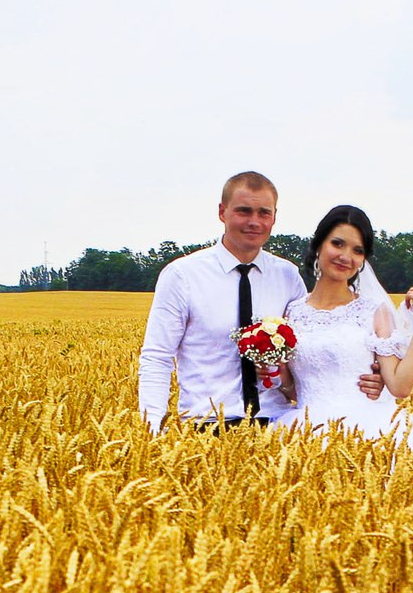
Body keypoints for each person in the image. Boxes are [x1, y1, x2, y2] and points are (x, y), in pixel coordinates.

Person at [137, 171, 385, 430]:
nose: (254, 222)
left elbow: (311, 346)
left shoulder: (287, 276)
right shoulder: (183, 276)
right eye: (244, 211)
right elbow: (157, 357)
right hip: (207, 425)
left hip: (279, 425)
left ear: (274, 217)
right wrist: (151, 428)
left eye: (264, 213)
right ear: (222, 212)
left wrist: (366, 380)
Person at [275, 203, 413, 446]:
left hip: (367, 432)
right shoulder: (291, 312)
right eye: (337, 244)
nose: (346, 257)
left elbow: (400, 385)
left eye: (357, 251)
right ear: (318, 244)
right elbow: (291, 386)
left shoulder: (373, 311)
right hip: (304, 432)